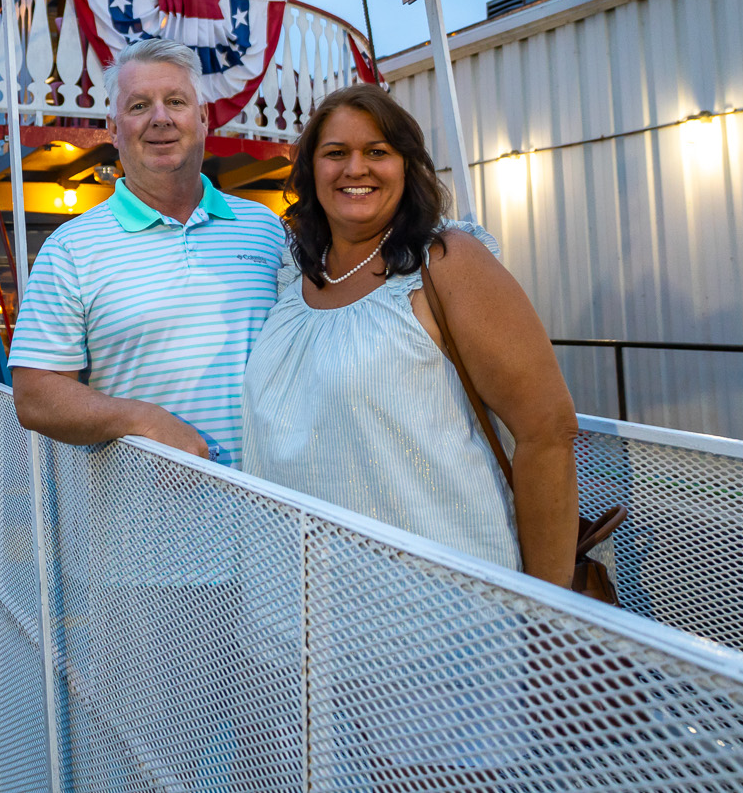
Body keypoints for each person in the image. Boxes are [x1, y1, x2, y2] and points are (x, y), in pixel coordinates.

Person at [242, 84, 581, 586]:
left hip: (437, 606)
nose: (355, 168)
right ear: (311, 170)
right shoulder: (292, 278)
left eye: (377, 152)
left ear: (406, 166)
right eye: (335, 153)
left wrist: (550, 615)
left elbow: (547, 433)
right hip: (296, 606)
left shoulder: (445, 262)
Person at [10, 38, 288, 466]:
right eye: (139, 106)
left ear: (203, 117)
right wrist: (139, 418)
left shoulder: (266, 229)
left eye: (175, 101)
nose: (160, 118)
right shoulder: (70, 249)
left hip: (272, 509)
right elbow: (35, 394)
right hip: (145, 520)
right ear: (114, 128)